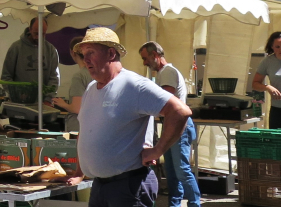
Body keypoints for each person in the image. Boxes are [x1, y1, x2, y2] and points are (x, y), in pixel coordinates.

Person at [62, 27, 192, 207]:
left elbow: (180, 111)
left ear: (110, 53)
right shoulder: (92, 88)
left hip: (129, 186)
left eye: (91, 52)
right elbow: (85, 132)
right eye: (84, 54)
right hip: (100, 185)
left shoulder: (133, 85)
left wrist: (157, 150)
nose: (86, 60)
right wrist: (79, 172)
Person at [139, 41, 200, 207]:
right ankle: (174, 204)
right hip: (173, 125)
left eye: (145, 58)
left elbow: (165, 100)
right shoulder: (163, 73)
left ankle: (195, 204)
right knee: (172, 172)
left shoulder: (167, 73)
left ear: (155, 56)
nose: (144, 62)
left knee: (181, 170)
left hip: (179, 126)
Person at [1, 17, 60, 101]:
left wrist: (48, 98)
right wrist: (17, 95)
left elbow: (54, 77)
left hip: (44, 102)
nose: (38, 37)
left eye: (42, 34)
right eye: (36, 33)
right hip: (19, 102)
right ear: (30, 29)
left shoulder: (50, 50)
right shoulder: (16, 48)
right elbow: (6, 77)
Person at [52, 36, 90, 129]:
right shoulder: (97, 74)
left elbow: (77, 108)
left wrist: (63, 104)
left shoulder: (79, 76)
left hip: (78, 127)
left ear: (72, 53)